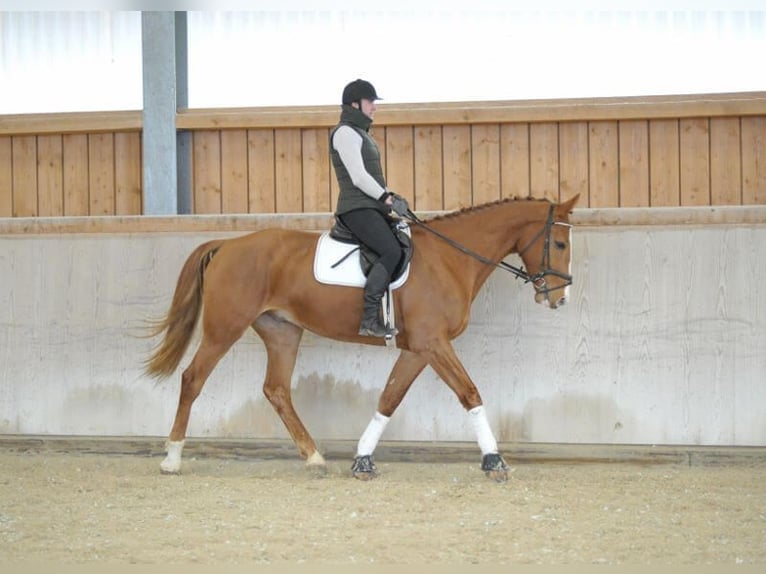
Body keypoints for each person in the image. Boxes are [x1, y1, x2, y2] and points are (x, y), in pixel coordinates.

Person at [330, 79, 410, 339]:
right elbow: (358, 177)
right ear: (355, 104)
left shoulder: (361, 134)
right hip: (356, 208)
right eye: (371, 102)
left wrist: (391, 197)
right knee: (391, 250)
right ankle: (369, 319)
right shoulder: (345, 133)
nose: (374, 108)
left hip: (370, 206)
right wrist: (386, 197)